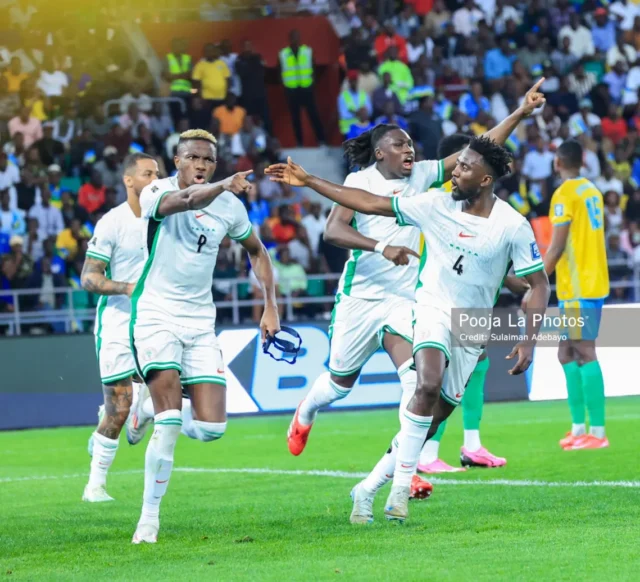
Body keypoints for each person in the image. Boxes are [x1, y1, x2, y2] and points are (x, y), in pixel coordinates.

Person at [274, 81, 546, 520]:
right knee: (341, 383)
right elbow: (340, 225)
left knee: (421, 388)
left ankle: (397, 475)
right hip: (364, 294)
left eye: (412, 144)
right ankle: (308, 411)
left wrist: (519, 113)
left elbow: (481, 152)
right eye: (401, 144)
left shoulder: (432, 183)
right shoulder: (367, 182)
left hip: (410, 296)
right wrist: (373, 240)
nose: (411, 151)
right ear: (380, 152)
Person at [127, 129, 280, 544]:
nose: (200, 165)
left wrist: (270, 304)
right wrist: (222, 186)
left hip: (200, 321)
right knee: (172, 420)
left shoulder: (229, 205)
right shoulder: (156, 191)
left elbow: (256, 249)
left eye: (208, 160)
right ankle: (149, 518)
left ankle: (144, 406)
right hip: (155, 315)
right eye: (193, 157)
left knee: (212, 429)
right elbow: (190, 200)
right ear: (177, 160)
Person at [417, 133, 529, 473]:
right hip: (440, 302)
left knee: (473, 367)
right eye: (460, 162)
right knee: (433, 381)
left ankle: (470, 443)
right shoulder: (442, 204)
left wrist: (510, 281)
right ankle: (425, 451)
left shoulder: (493, 215)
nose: (461, 169)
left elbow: (474, 261)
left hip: (475, 304)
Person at [79, 153, 161, 502]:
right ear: (129, 181)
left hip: (156, 318)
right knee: (119, 406)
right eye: (147, 173)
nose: (155, 179)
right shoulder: (112, 222)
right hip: (116, 320)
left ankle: (142, 413)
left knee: (163, 394)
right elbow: (89, 278)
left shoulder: (166, 217)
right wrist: (129, 288)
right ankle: (94, 486)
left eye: (158, 173)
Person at [542, 140, 610, 450]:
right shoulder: (591, 190)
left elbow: (556, 246)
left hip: (579, 286)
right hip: (587, 281)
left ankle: (597, 433)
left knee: (584, 351)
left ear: (557, 163)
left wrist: (535, 279)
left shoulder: (564, 194)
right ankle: (578, 428)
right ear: (581, 162)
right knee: (565, 353)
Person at [279, 30, 326, 146]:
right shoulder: (283, 54)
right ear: (290, 39)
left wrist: (311, 84)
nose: (296, 40)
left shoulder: (307, 51)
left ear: (300, 39)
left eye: (297, 37)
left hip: (306, 88)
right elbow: (280, 71)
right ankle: (299, 142)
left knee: (313, 115)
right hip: (292, 90)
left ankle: (322, 140)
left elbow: (314, 68)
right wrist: (286, 87)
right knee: (295, 118)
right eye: (293, 38)